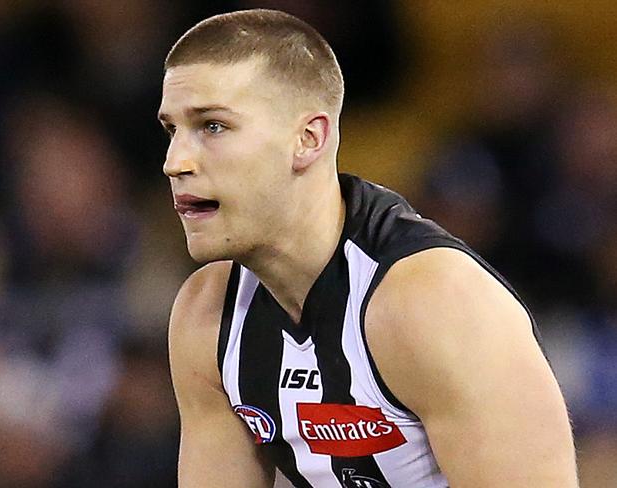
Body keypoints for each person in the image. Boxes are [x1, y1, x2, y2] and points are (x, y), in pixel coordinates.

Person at [159, 9, 577, 487]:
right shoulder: (206, 315)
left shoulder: (436, 304)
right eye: (171, 130)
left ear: (308, 139)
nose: (175, 163)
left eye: (212, 126)